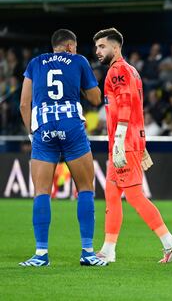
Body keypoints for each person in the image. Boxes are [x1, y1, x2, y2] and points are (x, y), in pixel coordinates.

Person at [93, 28, 172, 263]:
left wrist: (121, 140)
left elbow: (124, 105)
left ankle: (170, 242)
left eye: (102, 46)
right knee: (112, 194)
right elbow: (135, 107)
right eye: (96, 47)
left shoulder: (119, 70)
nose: (98, 51)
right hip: (128, 140)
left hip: (125, 142)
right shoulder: (131, 70)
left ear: (116, 47)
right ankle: (108, 249)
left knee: (133, 195)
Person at [19, 29, 107, 267]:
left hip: (44, 128)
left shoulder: (35, 63)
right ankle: (88, 252)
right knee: (86, 189)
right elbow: (95, 99)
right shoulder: (78, 61)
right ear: (70, 46)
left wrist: (31, 133)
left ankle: (40, 254)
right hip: (71, 127)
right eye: (75, 47)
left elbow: (24, 103)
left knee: (41, 192)